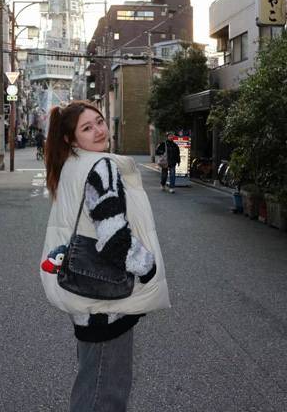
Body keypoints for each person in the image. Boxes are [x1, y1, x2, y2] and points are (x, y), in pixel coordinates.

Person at [40, 100, 170, 412]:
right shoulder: (101, 167)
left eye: (99, 121)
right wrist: (147, 267)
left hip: (83, 292)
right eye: (87, 128)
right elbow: (113, 238)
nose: (99, 130)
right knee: (105, 394)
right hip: (105, 301)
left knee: (90, 385)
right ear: (72, 139)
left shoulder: (71, 165)